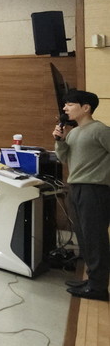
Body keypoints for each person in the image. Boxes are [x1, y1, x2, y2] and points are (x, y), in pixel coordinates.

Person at [53, 89, 110, 301]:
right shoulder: (73, 133)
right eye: (65, 104)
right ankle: (92, 280)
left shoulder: (100, 130)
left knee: (95, 238)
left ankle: (99, 287)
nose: (65, 108)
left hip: (95, 190)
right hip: (76, 187)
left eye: (70, 104)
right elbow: (64, 158)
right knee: (84, 236)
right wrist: (59, 140)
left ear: (86, 108)